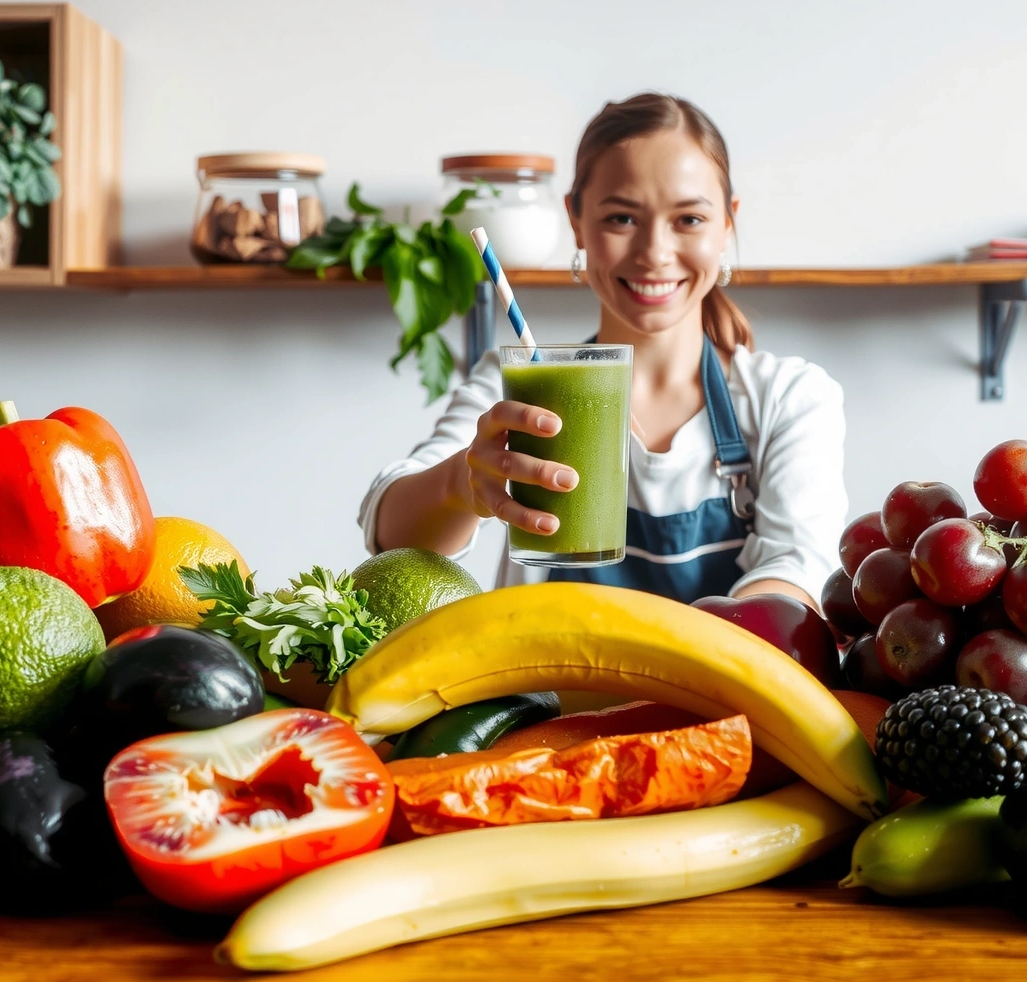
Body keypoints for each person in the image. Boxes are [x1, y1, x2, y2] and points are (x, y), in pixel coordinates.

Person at [360, 93, 846, 607]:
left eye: (690, 219)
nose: (655, 254)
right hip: (543, 686)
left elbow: (798, 572)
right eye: (622, 219)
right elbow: (389, 534)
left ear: (728, 223)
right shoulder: (518, 385)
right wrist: (463, 483)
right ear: (577, 220)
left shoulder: (787, 398)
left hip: (716, 687)